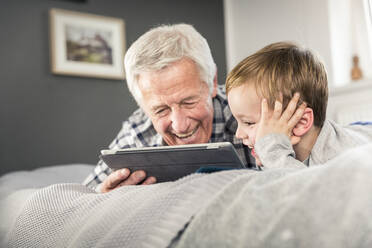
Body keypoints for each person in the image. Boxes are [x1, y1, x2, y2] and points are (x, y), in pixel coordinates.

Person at [83, 24, 256, 192]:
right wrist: (102, 196)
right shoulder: (137, 132)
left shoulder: (253, 112)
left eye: (188, 102)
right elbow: (82, 198)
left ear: (212, 83)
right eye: (161, 110)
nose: (180, 126)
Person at [225, 41, 372, 169]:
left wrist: (272, 153)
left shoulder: (339, 160)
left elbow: (308, 193)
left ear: (301, 122)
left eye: (249, 122)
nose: (238, 134)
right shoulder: (278, 155)